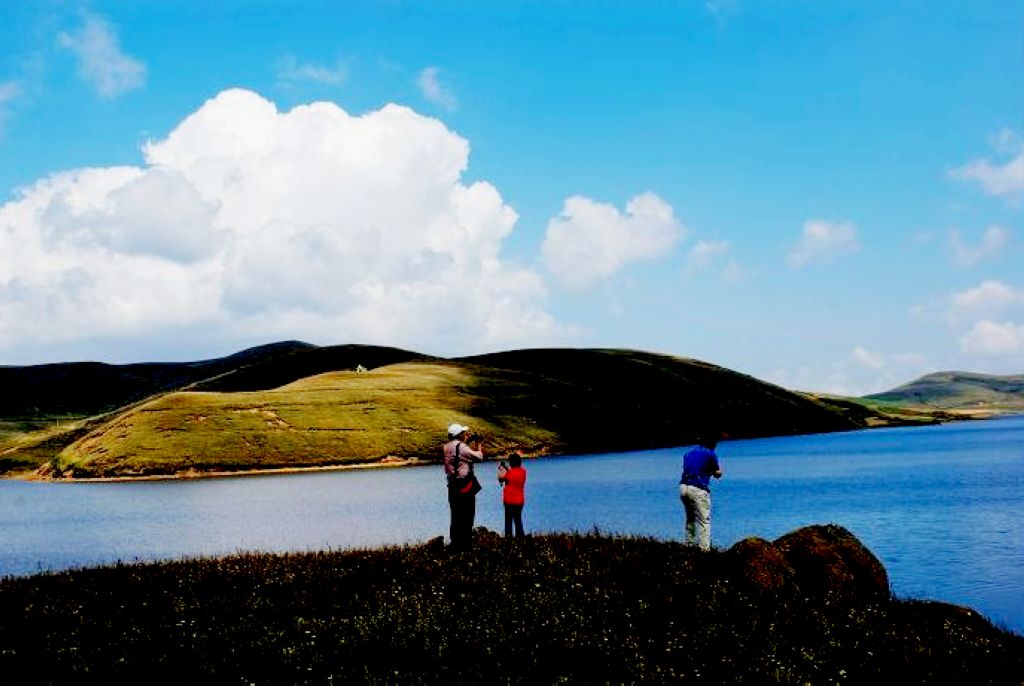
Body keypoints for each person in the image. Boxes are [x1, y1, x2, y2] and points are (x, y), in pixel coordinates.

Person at [443, 423, 484, 550]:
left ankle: (455, 543)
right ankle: (465, 545)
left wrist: (466, 442)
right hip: (464, 486)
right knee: (467, 515)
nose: (465, 435)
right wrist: (478, 444)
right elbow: (479, 457)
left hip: (452, 485)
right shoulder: (461, 447)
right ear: (459, 435)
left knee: (455, 515)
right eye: (463, 433)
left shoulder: (446, 447)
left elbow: (459, 455)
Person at [679, 433, 723, 551]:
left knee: (690, 518)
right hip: (697, 489)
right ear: (712, 443)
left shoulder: (688, 453)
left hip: (683, 487)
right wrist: (719, 473)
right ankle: (704, 551)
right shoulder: (710, 453)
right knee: (704, 521)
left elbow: (692, 468)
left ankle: (689, 546)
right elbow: (716, 473)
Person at [497, 452, 527, 539]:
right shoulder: (523, 472)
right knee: (518, 520)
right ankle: (520, 539)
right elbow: (512, 475)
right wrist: (506, 468)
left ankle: (508, 539)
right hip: (519, 500)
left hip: (509, 500)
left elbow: (501, 479)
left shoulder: (509, 473)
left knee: (508, 521)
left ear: (511, 462)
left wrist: (501, 468)